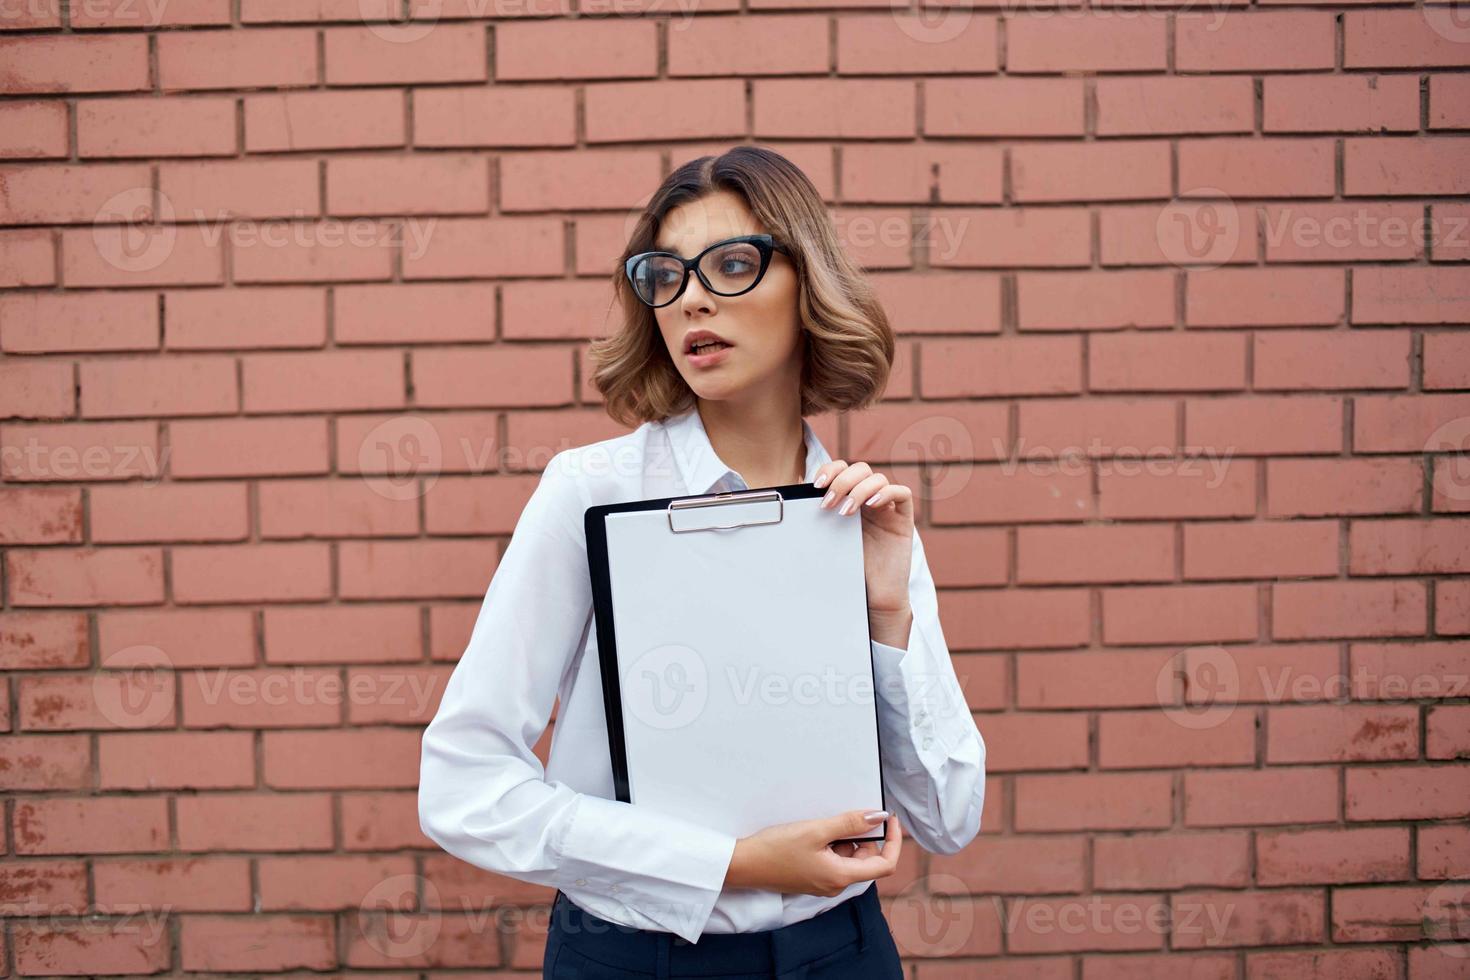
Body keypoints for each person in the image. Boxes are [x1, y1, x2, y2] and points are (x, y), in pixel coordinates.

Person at [417, 145, 987, 980]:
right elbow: (461, 785)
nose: (690, 300)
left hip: (842, 953)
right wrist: (732, 863)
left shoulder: (861, 515)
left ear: (810, 284)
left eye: (730, 265)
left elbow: (947, 817)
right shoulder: (591, 493)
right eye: (666, 276)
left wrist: (887, 619)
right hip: (633, 959)